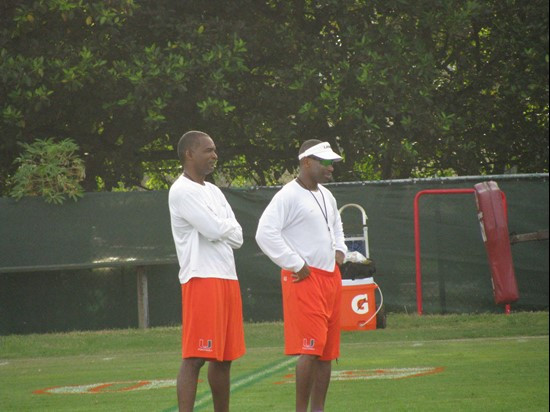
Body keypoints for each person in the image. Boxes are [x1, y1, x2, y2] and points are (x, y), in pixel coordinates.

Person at [255, 139, 347, 412]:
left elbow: (336, 226)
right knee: (310, 349)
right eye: (325, 162)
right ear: (307, 162)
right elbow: (265, 233)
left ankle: (318, 409)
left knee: (327, 352)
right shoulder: (288, 195)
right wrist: (295, 263)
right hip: (305, 278)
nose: (331, 167)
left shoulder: (327, 195)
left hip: (330, 276)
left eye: (332, 162)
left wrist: (340, 251)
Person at [168, 131, 246, 412]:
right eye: (208, 150)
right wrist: (222, 225)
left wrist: (220, 226)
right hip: (202, 278)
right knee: (195, 357)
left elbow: (238, 237)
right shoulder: (181, 190)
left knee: (224, 358)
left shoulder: (213, 190)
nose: (215, 155)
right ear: (189, 154)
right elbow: (215, 229)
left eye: (215, 150)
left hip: (227, 277)